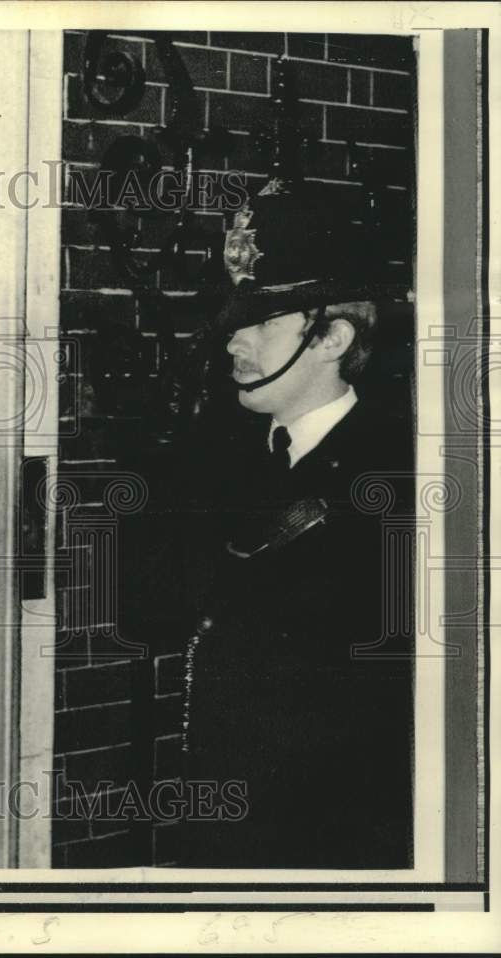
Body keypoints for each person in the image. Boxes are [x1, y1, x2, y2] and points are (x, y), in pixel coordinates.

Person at [179, 182, 414, 868]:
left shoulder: (398, 481)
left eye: (265, 321)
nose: (236, 342)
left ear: (333, 338)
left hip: (332, 846)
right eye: (235, 320)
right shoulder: (224, 459)